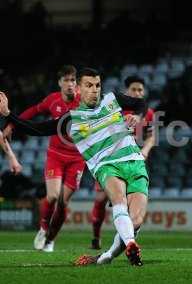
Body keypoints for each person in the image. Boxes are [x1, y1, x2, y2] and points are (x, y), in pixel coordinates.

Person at [0, 67, 147, 266]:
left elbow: (140, 103)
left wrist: (137, 116)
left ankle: (107, 256)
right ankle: (130, 243)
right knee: (119, 200)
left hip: (135, 163)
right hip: (107, 167)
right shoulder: (72, 119)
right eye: (89, 85)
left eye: (97, 85)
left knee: (136, 221)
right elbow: (35, 128)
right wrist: (8, 114)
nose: (94, 90)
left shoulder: (112, 99)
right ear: (78, 88)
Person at [3, 65, 84, 252]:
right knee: (53, 195)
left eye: (73, 80)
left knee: (63, 203)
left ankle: (50, 240)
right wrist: (12, 125)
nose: (70, 84)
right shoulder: (53, 100)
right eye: (66, 80)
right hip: (55, 155)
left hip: (77, 158)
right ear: (60, 83)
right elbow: (33, 110)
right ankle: (43, 228)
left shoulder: (83, 100)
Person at [90, 76, 155, 250]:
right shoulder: (115, 109)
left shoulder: (147, 113)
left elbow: (151, 137)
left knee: (133, 207)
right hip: (111, 159)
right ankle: (96, 236)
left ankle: (128, 243)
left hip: (135, 159)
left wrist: (145, 151)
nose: (137, 93)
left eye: (140, 90)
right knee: (101, 199)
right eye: (134, 90)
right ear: (127, 92)